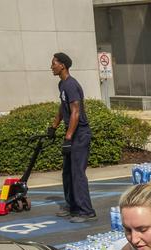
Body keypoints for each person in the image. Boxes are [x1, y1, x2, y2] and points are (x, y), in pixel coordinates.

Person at [48, 52, 96, 224]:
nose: (51, 66)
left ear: (62, 65)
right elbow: (63, 108)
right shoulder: (62, 84)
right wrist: (53, 127)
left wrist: (68, 137)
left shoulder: (71, 85)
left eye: (54, 63)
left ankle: (86, 211)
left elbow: (76, 112)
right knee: (67, 173)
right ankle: (72, 206)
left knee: (77, 173)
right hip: (72, 134)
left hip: (80, 134)